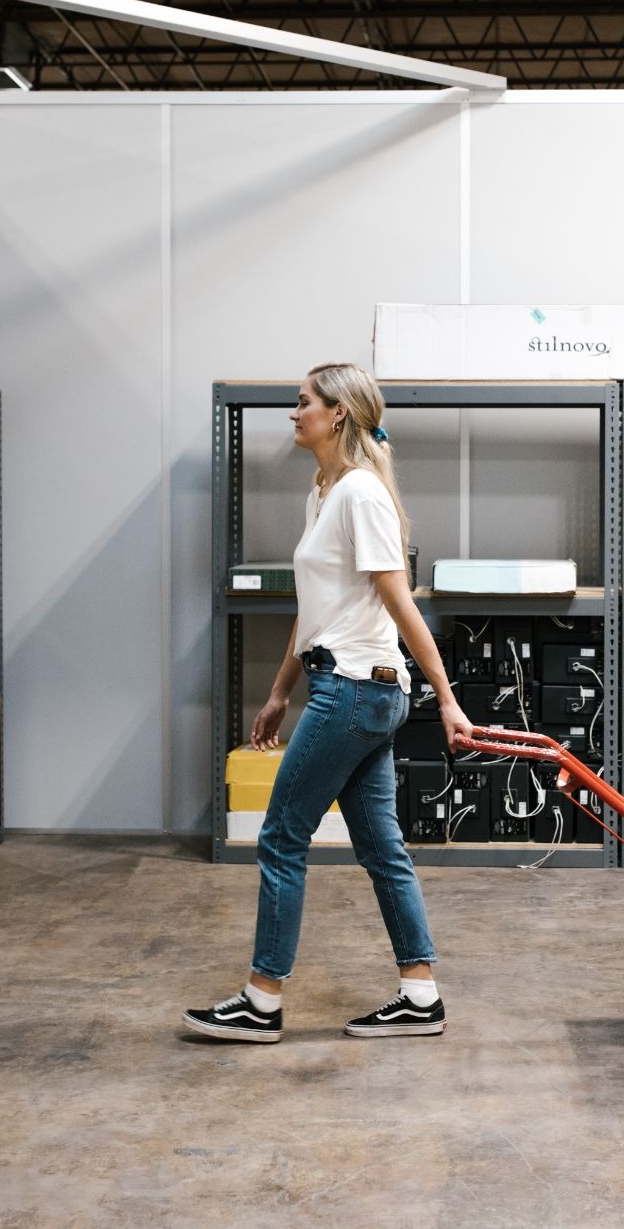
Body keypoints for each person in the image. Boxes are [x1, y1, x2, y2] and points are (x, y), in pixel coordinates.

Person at [185, 363, 472, 1044]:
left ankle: (261, 1000)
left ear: (338, 413)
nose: (293, 413)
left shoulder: (362, 495)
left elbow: (401, 602)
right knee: (381, 846)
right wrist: (281, 688)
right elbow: (316, 607)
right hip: (347, 685)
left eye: (303, 402)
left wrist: (450, 698)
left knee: (283, 834)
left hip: (355, 691)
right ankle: (419, 991)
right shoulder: (324, 492)